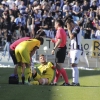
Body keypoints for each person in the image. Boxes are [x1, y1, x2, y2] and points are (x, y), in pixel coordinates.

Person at [51, 19, 70, 86]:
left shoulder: (59, 30)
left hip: (60, 49)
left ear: (58, 24)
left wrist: (54, 49)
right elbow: (62, 40)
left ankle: (67, 82)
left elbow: (59, 40)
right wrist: (54, 41)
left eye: (55, 24)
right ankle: (55, 82)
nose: (54, 25)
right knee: (58, 67)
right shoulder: (63, 30)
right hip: (63, 49)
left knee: (59, 67)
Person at [66, 18, 82, 86]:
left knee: (74, 65)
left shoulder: (76, 28)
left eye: (68, 25)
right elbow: (72, 40)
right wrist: (70, 50)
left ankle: (76, 82)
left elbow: (71, 37)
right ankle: (74, 81)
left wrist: (69, 30)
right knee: (72, 65)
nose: (68, 27)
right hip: (73, 49)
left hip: (76, 49)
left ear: (71, 23)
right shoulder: (73, 29)